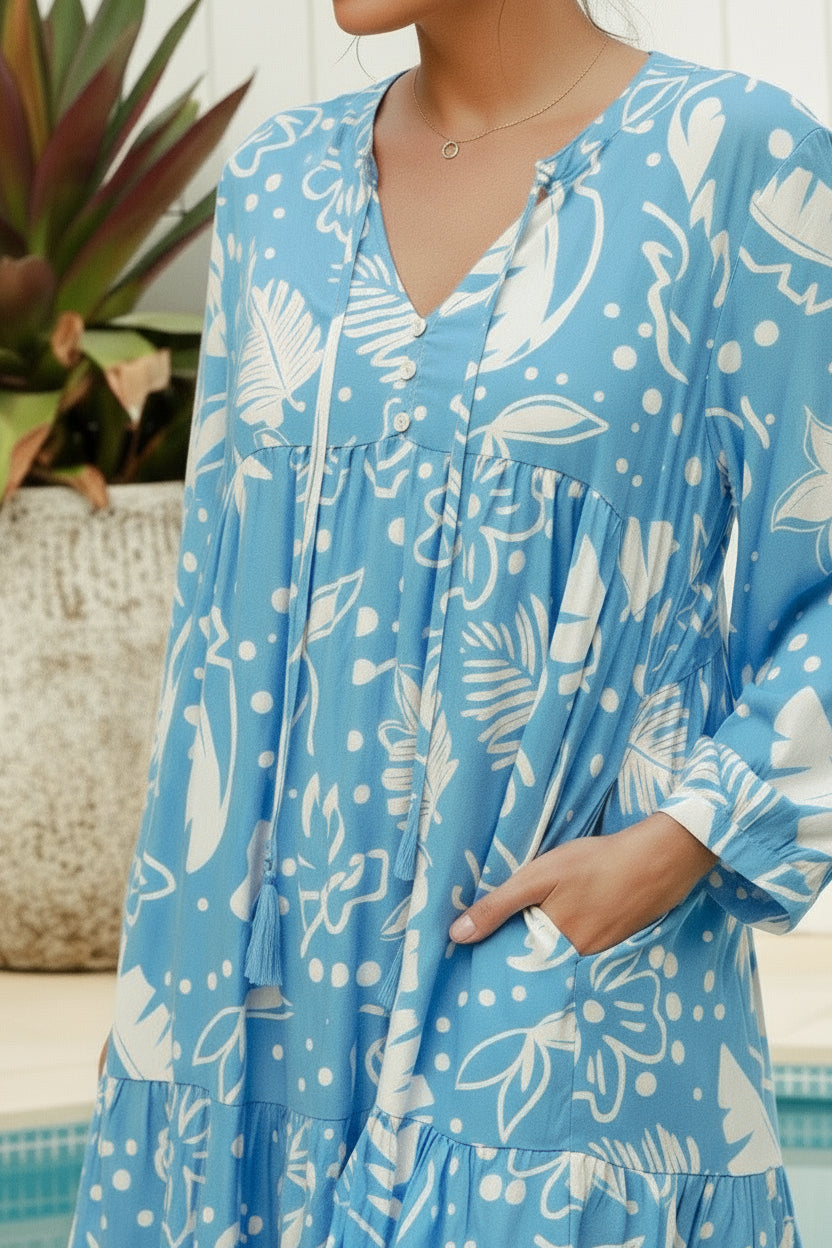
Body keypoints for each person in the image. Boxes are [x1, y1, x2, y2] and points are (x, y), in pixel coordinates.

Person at [69, 1, 832, 1244]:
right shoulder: (276, 188)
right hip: (261, 997)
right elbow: (219, 616)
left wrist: (686, 839)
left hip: (566, 987)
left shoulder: (733, 159)